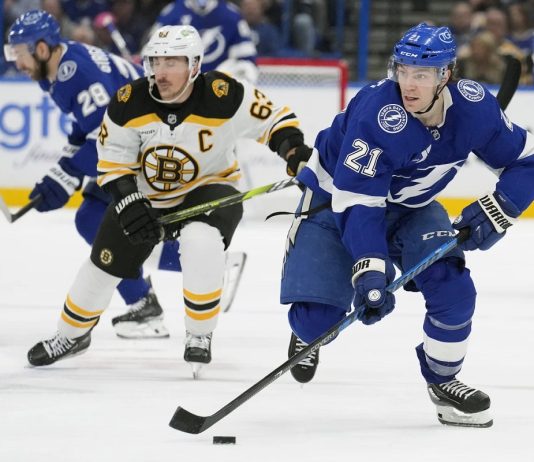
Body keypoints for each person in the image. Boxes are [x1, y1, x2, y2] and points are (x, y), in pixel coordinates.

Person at [280, 23, 534, 427]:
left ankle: (444, 382)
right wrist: (369, 266)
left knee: (453, 287)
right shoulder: (377, 113)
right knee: (317, 322)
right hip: (337, 202)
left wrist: (501, 206)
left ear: (445, 75)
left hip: (412, 208)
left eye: (422, 74)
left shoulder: (473, 108)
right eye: (403, 71)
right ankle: (308, 330)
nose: (409, 84)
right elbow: (359, 202)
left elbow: (527, 160)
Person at [26, 24, 312, 377]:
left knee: (201, 242)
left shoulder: (223, 95)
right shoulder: (129, 102)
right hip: (147, 196)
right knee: (101, 267)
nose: (161, 72)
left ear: (194, 65)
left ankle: (200, 335)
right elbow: (112, 160)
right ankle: (70, 336)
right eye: (155, 62)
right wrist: (129, 202)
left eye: (172, 62)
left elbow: (275, 119)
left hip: (211, 187)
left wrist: (293, 150)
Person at [3, 9, 171, 336]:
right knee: (94, 219)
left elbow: (108, 140)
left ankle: (195, 265)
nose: (16, 64)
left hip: (155, 140)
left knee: (96, 219)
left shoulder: (74, 73)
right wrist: (63, 170)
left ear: (40, 48)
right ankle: (154, 296)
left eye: (19, 54)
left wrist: (65, 175)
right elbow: (88, 127)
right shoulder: (59, 66)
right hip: (144, 138)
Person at [151, 0, 259, 83]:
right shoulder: (171, 14)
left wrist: (225, 78)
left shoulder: (232, 15)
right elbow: (150, 58)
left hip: (219, 95)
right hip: (178, 94)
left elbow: (248, 63)